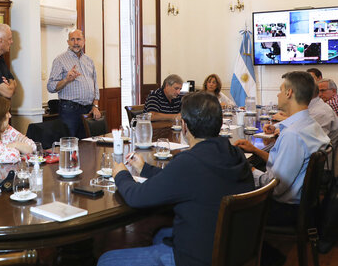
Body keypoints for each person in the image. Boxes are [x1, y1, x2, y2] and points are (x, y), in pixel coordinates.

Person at [98, 92, 254, 266]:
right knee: (160, 234)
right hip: (235, 249)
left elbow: (137, 197)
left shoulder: (190, 162)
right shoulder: (235, 153)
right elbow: (177, 179)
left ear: (184, 126)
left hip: (196, 258)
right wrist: (144, 169)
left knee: (106, 260)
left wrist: (121, 174)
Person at [235, 72, 329, 223]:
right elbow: (287, 163)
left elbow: (275, 187)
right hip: (304, 204)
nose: (278, 95)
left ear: (289, 92)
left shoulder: (293, 135)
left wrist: (248, 169)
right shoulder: (311, 125)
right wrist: (255, 151)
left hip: (286, 209)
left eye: (280, 90)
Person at [46, 29, 100, 138]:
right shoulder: (60, 60)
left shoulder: (89, 61)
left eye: (78, 39)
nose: (76, 43)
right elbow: (50, 87)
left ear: (84, 41)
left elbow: (95, 85)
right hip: (69, 111)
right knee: (70, 146)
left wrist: (95, 106)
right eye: (72, 39)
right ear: (68, 42)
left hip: (88, 110)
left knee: (88, 145)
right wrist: (66, 80)